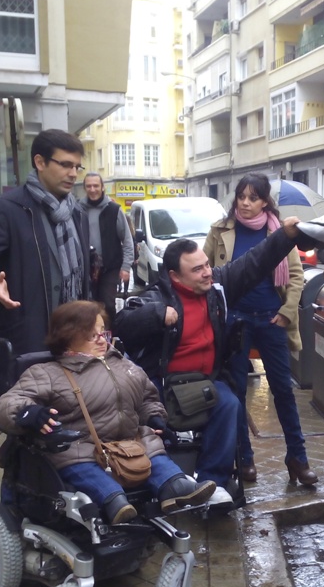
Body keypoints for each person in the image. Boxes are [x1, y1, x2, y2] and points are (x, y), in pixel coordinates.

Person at [113, 216, 306, 507]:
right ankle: (168, 482)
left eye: (207, 265)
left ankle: (210, 483)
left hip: (206, 379)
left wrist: (286, 236)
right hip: (163, 381)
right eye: (198, 269)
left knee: (230, 404)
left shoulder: (218, 286)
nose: (207, 273)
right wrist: (156, 316)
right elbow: (123, 322)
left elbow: (254, 262)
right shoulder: (157, 296)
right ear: (175, 277)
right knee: (151, 419)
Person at [0, 301, 216, 520]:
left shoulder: (125, 366)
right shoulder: (47, 373)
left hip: (130, 444)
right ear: (67, 338)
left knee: (154, 453)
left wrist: (155, 418)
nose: (102, 340)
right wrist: (29, 413)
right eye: (92, 335)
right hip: (81, 447)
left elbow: (148, 398)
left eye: (103, 332)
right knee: (82, 466)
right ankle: (114, 502)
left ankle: (174, 488)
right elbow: (9, 402)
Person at [0, 129, 93, 410]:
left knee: (70, 418)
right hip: (29, 339)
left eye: (77, 167)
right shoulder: (8, 209)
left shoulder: (77, 214)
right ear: (40, 162)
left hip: (73, 339)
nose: (73, 174)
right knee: (26, 423)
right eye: (65, 164)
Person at [204, 173, 317, 487]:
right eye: (242, 196)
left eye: (253, 197)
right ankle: (245, 458)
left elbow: (296, 277)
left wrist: (284, 313)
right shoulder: (220, 230)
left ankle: (298, 457)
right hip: (235, 321)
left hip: (271, 320)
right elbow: (207, 274)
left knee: (283, 390)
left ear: (265, 201)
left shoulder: (279, 232)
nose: (246, 203)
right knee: (236, 392)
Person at [79, 172, 133, 316]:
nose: (92, 189)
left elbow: (127, 240)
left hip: (110, 267)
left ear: (103, 187)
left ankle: (109, 335)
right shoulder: (78, 210)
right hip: (85, 267)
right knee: (87, 305)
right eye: (88, 186)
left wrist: (126, 267)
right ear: (85, 188)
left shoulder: (114, 210)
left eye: (96, 186)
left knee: (107, 305)